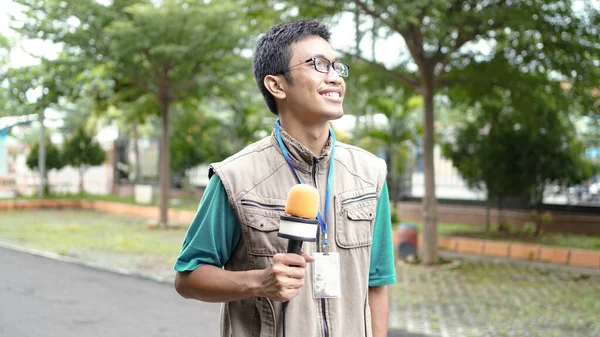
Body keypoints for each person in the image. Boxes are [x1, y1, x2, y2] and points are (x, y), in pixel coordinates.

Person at [174, 19, 396, 337]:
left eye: (336, 66)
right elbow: (188, 278)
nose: (334, 77)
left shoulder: (370, 174)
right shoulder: (235, 178)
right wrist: (259, 281)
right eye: (318, 65)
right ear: (277, 85)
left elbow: (377, 284)